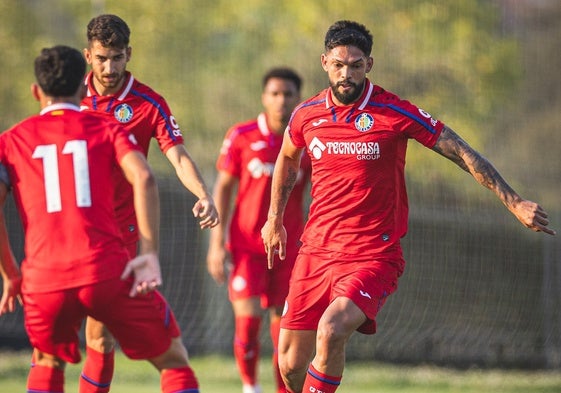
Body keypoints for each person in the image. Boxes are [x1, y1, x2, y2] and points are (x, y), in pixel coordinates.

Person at [260, 20, 556, 393]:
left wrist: (513, 201)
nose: (346, 73)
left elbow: (461, 151)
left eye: (355, 65)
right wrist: (274, 218)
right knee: (288, 366)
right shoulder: (307, 115)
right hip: (315, 252)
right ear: (324, 63)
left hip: (373, 254)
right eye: (338, 65)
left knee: (332, 330)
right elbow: (287, 158)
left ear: (369, 64)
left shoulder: (393, 111)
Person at [0, 45, 201, 393]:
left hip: (43, 276)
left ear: (36, 92)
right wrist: (149, 254)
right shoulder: (104, 128)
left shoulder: (11, 140)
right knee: (173, 360)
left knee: (47, 360)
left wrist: (11, 273)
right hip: (104, 269)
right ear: (83, 87)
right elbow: (145, 177)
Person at [79, 14, 219, 393]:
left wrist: (203, 194)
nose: (110, 68)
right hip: (74, 232)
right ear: (88, 55)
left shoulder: (147, 103)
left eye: (117, 58)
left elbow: (177, 155)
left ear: (129, 54)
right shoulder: (71, 98)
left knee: (102, 333)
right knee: (78, 336)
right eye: (102, 58)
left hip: (120, 235)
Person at [206, 67, 311, 393]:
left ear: (297, 99)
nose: (281, 101)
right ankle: (250, 387)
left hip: (288, 247)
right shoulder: (242, 135)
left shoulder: (307, 142)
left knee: (285, 331)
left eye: (288, 94)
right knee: (248, 322)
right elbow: (223, 187)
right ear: (264, 97)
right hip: (246, 246)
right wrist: (216, 241)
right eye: (275, 94)